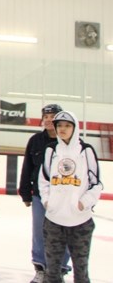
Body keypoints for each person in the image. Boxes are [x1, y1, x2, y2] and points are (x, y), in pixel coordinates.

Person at [39, 111, 103, 283]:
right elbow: (43, 181)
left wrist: (83, 203)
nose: (62, 129)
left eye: (67, 126)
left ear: (75, 128)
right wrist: (47, 201)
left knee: (81, 274)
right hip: (53, 220)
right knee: (52, 274)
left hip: (80, 222)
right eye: (59, 125)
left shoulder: (86, 150)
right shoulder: (50, 151)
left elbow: (96, 184)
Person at [19, 104, 71, 282]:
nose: (48, 119)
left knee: (64, 232)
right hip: (40, 196)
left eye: (52, 116)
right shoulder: (35, 140)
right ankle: (40, 268)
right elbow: (27, 167)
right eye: (46, 116)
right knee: (40, 233)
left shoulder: (68, 141)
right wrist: (25, 193)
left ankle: (60, 269)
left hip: (64, 197)